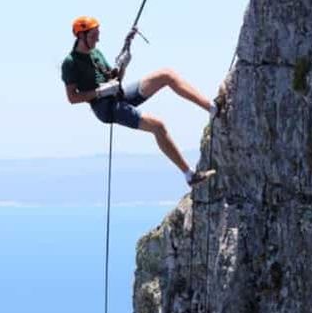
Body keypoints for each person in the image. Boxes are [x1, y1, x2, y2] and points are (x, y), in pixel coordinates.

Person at [61, 16, 221, 187]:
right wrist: (100, 92)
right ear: (81, 36)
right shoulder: (70, 63)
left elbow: (115, 79)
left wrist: (124, 63)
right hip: (105, 107)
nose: (98, 39)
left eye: (98, 34)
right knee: (158, 126)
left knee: (166, 75)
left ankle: (211, 108)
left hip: (117, 94)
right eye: (93, 35)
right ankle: (189, 175)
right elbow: (72, 97)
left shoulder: (96, 53)